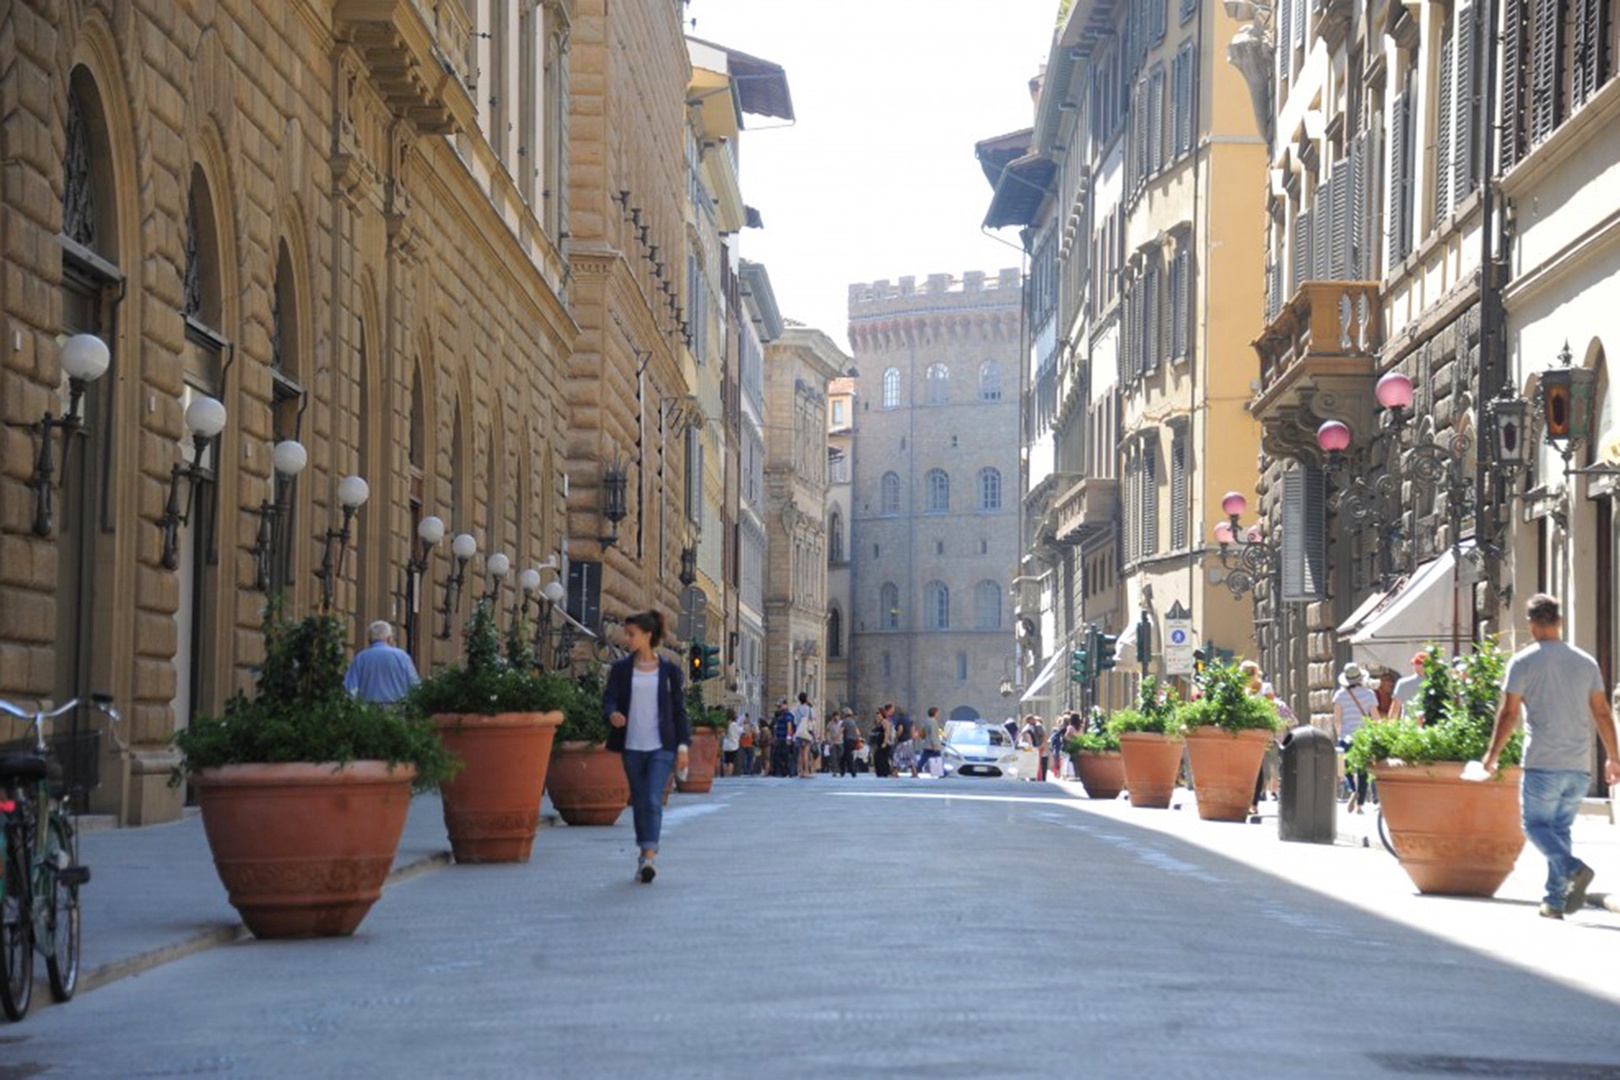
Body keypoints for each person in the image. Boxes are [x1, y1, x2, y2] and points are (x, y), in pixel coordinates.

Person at [1483, 593, 1620, 920]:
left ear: (1531, 625)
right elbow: (1602, 713)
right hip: (1578, 765)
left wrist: (1492, 754)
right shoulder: (1585, 662)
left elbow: (1508, 714)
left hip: (1542, 761)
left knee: (1534, 826)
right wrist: (1613, 757)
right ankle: (1554, 901)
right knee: (1559, 831)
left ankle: (1573, 868)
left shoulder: (1523, 662)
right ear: (1560, 622)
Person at [603, 610, 690, 884]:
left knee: (653, 799)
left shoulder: (670, 672)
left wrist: (683, 747)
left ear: (647, 635)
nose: (627, 639)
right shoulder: (620, 670)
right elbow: (609, 700)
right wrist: (612, 714)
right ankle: (644, 853)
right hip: (631, 745)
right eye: (626, 634)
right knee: (640, 800)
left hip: (661, 746)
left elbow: (679, 712)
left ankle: (650, 856)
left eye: (631, 634)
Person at [1331, 661, 1378, 813]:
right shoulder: (1369, 694)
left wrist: (1340, 736)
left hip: (1346, 737)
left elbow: (1337, 720)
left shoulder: (1339, 695)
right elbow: (1375, 717)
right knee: (1363, 771)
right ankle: (1360, 805)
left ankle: (1351, 790)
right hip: (1363, 737)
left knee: (1344, 769)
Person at [343, 620, 420, 704]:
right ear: (389, 638)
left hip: (368, 711)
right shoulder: (403, 657)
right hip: (397, 709)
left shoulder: (360, 658)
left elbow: (350, 689)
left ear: (370, 640)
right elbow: (415, 687)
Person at [1390, 651, 1428, 722]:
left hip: (1408, 725)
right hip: (1430, 727)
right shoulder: (1436, 684)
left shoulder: (1403, 683)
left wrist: (1390, 728)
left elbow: (1395, 709)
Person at [793, 693, 818, 778]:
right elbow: (813, 722)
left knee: (800, 753)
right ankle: (806, 771)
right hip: (807, 732)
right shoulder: (809, 709)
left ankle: (800, 770)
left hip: (799, 732)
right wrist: (815, 734)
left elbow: (795, 722)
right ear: (806, 699)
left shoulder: (797, 709)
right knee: (806, 753)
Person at [917, 707, 944, 777]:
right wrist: (935, 745)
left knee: (924, 758)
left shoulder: (927, 721)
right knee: (938, 758)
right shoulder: (933, 722)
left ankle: (918, 768)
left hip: (927, 744)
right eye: (937, 713)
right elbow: (933, 734)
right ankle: (940, 772)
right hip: (933, 745)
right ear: (935, 713)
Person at [840, 708, 860, 777]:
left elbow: (841, 731)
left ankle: (853, 772)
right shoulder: (853, 722)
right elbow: (858, 732)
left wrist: (836, 738)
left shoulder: (844, 721)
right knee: (844, 757)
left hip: (847, 740)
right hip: (853, 741)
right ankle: (842, 771)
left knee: (848, 757)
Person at [722, 709, 742, 777]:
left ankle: (725, 774)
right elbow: (739, 731)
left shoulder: (726, 723)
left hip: (726, 744)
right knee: (731, 761)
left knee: (726, 761)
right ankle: (729, 775)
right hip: (733, 744)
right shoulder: (734, 724)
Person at [738, 713, 756, 777]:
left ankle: (746, 770)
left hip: (747, 743)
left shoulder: (741, 726)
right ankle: (747, 770)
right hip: (746, 743)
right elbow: (754, 733)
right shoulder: (750, 725)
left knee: (747, 758)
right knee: (748, 758)